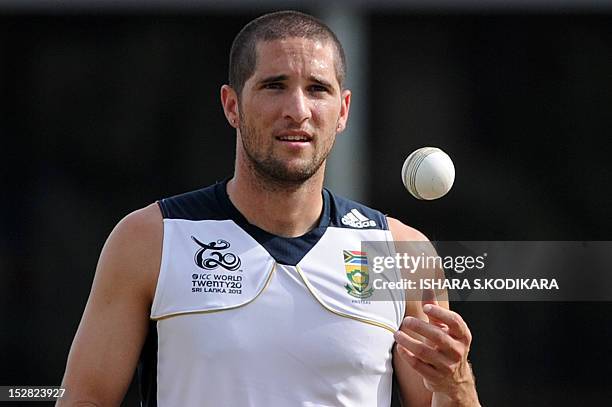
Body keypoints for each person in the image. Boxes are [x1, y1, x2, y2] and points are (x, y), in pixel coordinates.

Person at [58, 10, 480, 407]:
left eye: (317, 89)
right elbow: (84, 399)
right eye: (274, 85)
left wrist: (456, 382)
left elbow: (444, 397)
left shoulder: (401, 252)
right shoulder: (152, 238)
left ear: (343, 111)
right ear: (231, 105)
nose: (297, 111)